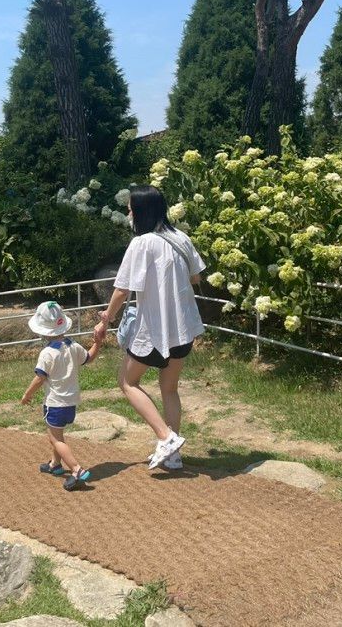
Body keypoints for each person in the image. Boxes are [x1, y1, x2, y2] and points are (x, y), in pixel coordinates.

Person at [94, 185, 205, 471]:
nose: (128, 212)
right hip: (184, 328)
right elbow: (195, 278)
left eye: (131, 208)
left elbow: (122, 289)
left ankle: (166, 437)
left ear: (141, 211)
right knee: (169, 388)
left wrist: (105, 319)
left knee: (127, 382)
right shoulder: (181, 238)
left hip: (155, 331)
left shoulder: (141, 243)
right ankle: (174, 455)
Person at [22, 300, 103, 491]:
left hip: (55, 403)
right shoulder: (73, 346)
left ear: (42, 330)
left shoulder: (47, 353)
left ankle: (76, 470)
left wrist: (27, 395)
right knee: (57, 434)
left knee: (55, 439)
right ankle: (55, 465)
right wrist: (97, 343)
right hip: (71, 401)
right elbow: (89, 358)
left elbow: (40, 378)